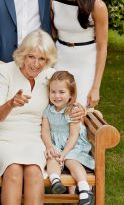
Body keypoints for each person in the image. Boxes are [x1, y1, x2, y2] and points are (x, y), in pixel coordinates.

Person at [0, 30, 85, 205]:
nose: (36, 64)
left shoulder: (50, 75)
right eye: (31, 57)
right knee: (13, 169)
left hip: (34, 137)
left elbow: (68, 99)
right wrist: (10, 104)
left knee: (34, 170)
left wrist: (79, 109)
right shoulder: (5, 71)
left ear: (48, 60)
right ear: (23, 55)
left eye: (42, 59)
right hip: (2, 136)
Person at [51, 0, 108, 107]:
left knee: (79, 113)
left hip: (86, 64)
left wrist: (96, 87)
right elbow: (51, 35)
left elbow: (102, 47)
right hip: (60, 60)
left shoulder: (97, 6)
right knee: (57, 110)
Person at [41, 71, 94, 205]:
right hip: (56, 145)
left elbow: (73, 135)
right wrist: (49, 147)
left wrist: (64, 153)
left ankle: (84, 188)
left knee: (71, 161)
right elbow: (45, 132)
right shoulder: (48, 110)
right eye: (53, 92)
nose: (56, 96)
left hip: (73, 145)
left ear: (71, 94)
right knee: (51, 158)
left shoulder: (73, 110)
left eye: (61, 92)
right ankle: (55, 181)